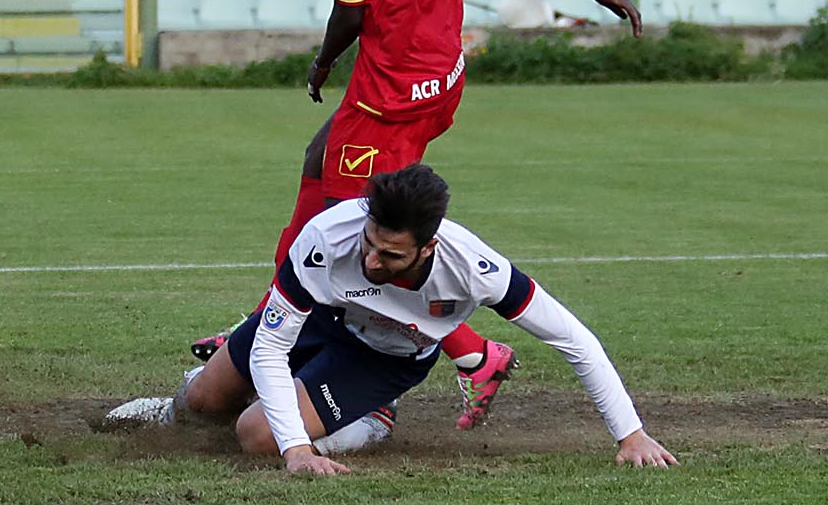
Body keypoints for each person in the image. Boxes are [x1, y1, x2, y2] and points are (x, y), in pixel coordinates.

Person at [192, 0, 643, 434]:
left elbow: (351, 11)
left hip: (389, 93)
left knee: (355, 230)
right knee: (320, 159)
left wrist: (322, 60)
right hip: (441, 77)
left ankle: (473, 351)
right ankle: (268, 308)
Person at [121, 164, 677, 475]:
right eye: (370, 243)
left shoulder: (476, 269)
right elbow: (270, 344)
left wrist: (630, 435)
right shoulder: (327, 239)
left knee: (257, 435)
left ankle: (369, 419)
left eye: (390, 255)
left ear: (428, 247)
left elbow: (575, 339)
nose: (370, 259)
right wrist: (300, 448)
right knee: (202, 405)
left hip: (385, 359)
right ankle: (185, 405)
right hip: (323, 319)